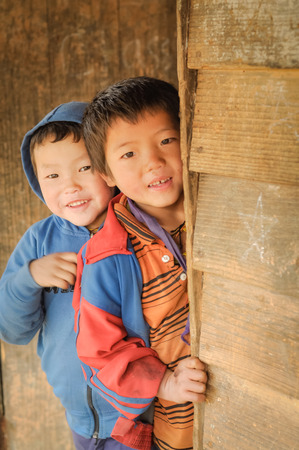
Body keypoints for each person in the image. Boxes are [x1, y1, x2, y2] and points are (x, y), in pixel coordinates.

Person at [73, 77, 208, 450]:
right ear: (107, 175)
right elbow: (100, 352)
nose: (153, 161)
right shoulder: (107, 256)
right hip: (178, 421)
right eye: (129, 154)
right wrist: (166, 383)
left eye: (166, 140)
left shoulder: (219, 212)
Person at [0, 101, 118, 449]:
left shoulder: (135, 230)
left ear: (110, 168)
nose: (70, 186)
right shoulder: (39, 240)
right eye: (52, 175)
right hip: (80, 419)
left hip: (140, 415)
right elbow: (13, 331)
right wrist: (29, 277)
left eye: (85, 167)